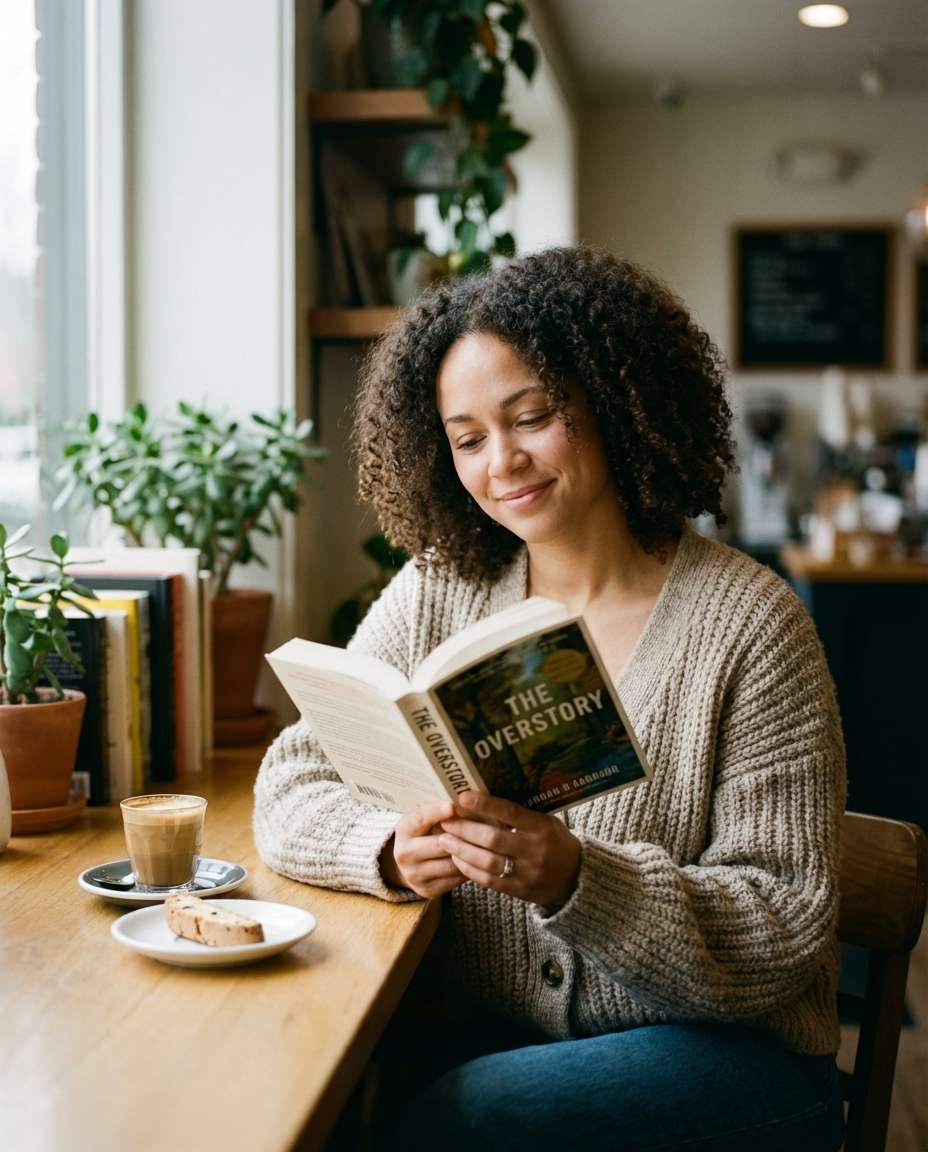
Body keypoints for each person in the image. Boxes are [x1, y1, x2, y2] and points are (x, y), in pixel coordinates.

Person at [253, 247, 847, 1151]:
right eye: (468, 438)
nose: (504, 462)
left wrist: (580, 878)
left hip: (721, 1058)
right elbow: (290, 780)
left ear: (615, 401)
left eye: (531, 417)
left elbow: (786, 920)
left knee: (456, 1123)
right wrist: (385, 848)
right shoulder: (441, 589)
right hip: (496, 1047)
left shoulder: (752, 625)